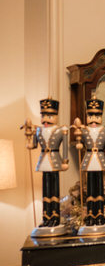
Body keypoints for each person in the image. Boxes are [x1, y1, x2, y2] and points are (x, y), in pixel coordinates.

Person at [23, 99, 69, 232]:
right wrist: (29, 140)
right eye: (43, 116)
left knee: (54, 190)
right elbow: (33, 145)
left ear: (56, 116)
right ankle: (46, 217)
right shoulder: (38, 130)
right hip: (43, 161)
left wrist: (65, 161)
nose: (45, 120)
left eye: (49, 116)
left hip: (54, 160)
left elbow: (64, 147)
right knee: (45, 191)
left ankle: (55, 217)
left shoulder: (61, 130)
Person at [74, 96, 105, 229]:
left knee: (100, 189)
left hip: (100, 160)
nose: (94, 119)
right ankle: (91, 215)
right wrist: (78, 139)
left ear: (101, 115)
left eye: (97, 115)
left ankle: (100, 214)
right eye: (91, 115)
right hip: (89, 159)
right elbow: (79, 141)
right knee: (90, 189)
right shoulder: (84, 129)